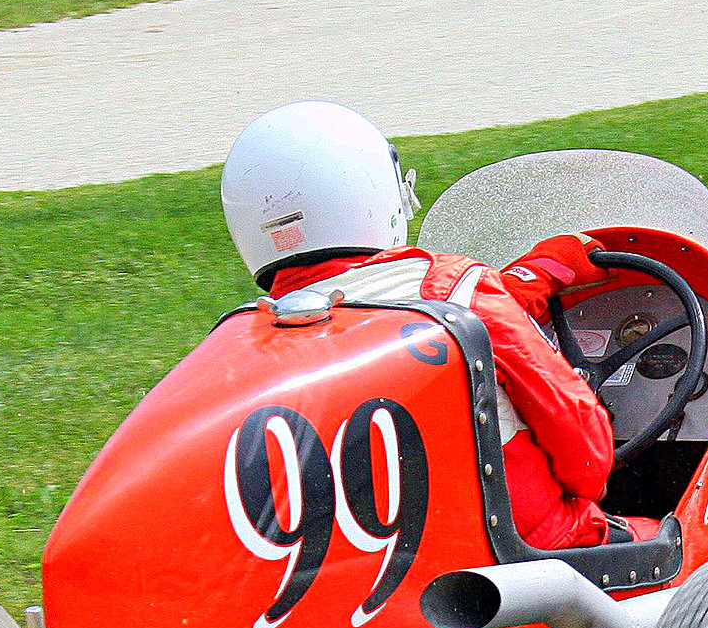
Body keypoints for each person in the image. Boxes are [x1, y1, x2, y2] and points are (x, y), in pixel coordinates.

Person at [221, 101, 651, 549]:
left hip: (365, 561)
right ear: (368, 191)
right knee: (689, 552)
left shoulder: (243, 338)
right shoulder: (457, 291)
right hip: (524, 553)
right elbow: (588, 451)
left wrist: (522, 286)